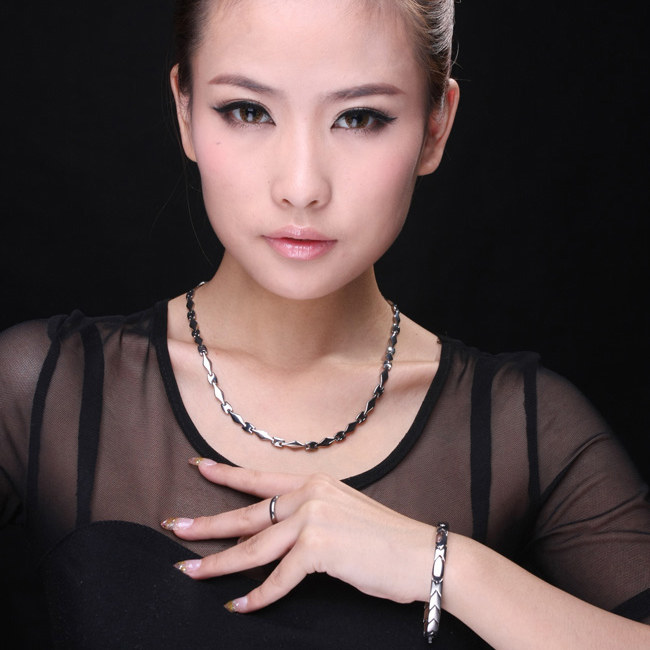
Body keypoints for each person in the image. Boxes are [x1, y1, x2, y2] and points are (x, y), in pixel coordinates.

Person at [1, 0, 648, 647]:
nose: (302, 186)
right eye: (248, 111)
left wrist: (446, 566)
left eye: (359, 117)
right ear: (185, 110)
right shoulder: (43, 391)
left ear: (436, 126)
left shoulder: (525, 430)